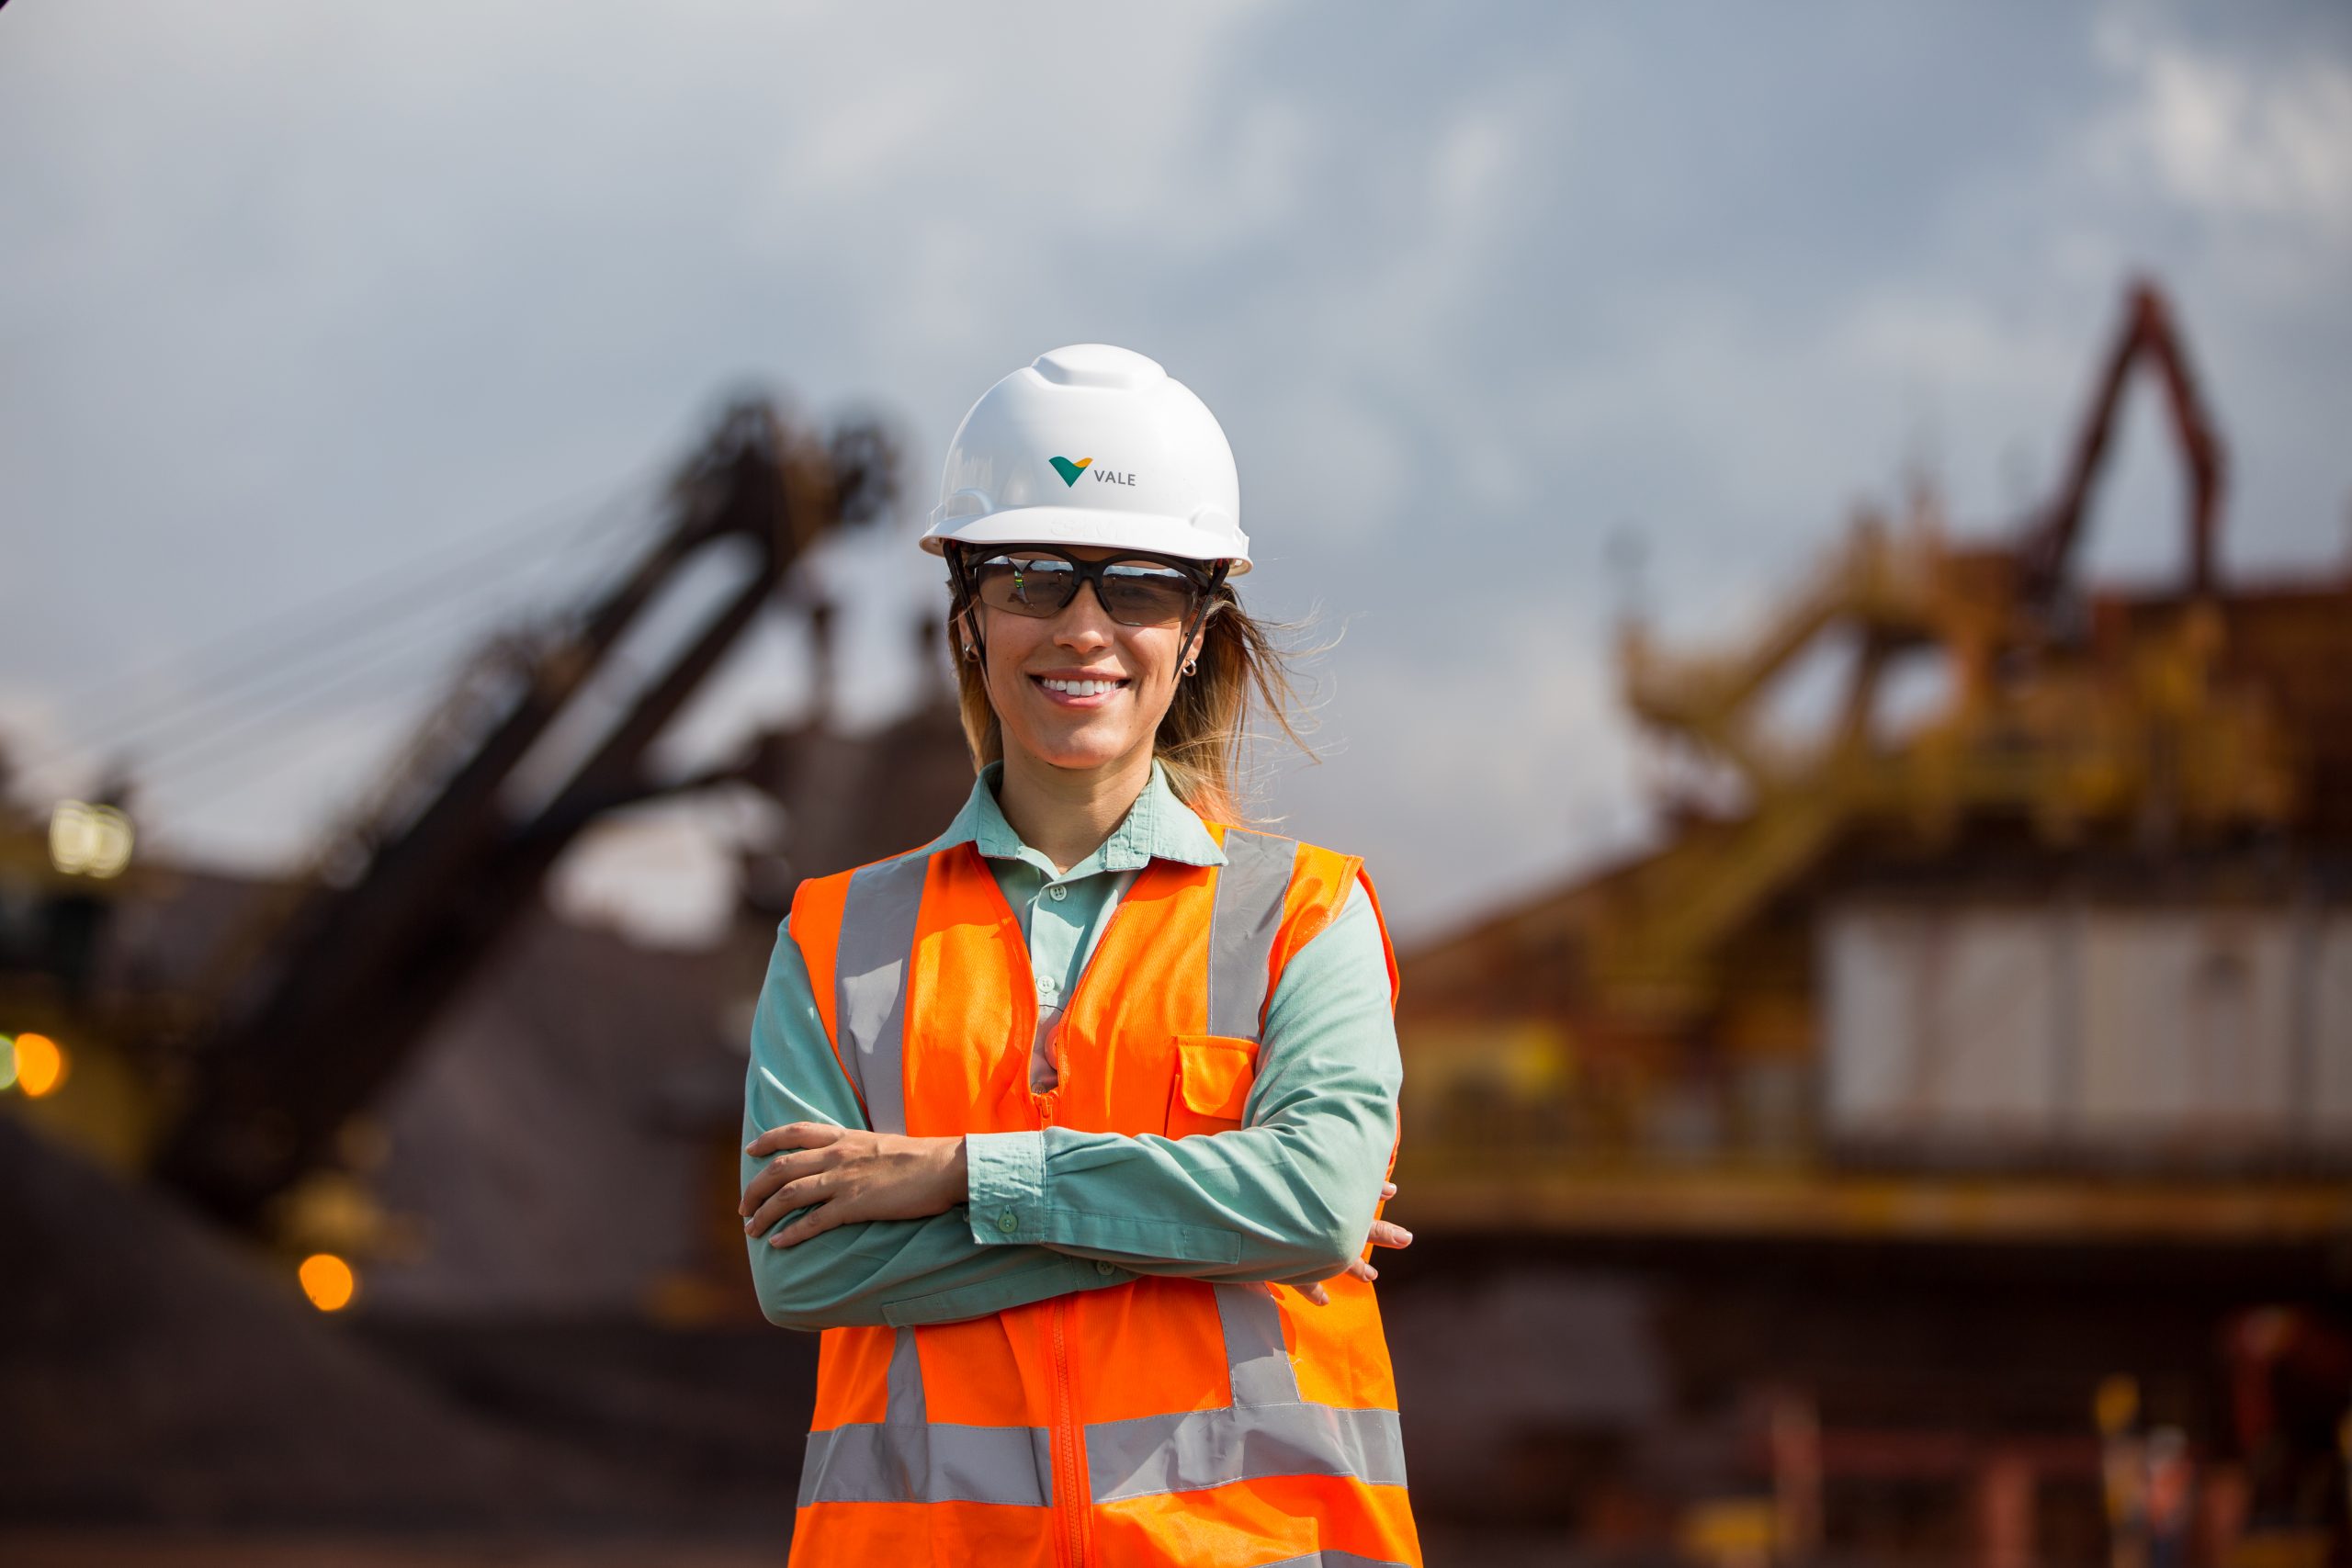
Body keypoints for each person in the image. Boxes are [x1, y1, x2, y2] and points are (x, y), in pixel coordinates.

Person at [737, 343, 1419, 1567]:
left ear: (1199, 630)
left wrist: (962, 1175)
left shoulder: (1307, 915)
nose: (1085, 627)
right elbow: (803, 1276)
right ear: (971, 616)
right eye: (1037, 580)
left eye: (1142, 586)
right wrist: (1217, 1222)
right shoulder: (839, 940)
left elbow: (1310, 1206)